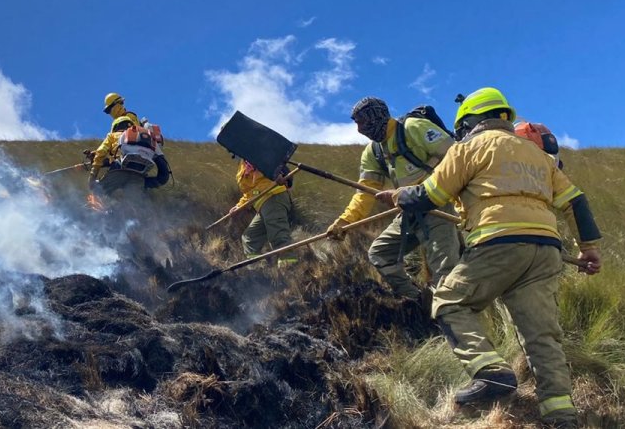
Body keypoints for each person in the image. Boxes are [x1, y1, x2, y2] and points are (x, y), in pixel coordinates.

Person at [375, 87, 601, 429]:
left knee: (450, 301)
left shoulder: (470, 148)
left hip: (497, 240)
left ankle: (491, 372)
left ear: (470, 122)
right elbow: (576, 201)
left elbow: (432, 194)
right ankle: (561, 415)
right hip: (545, 250)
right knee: (541, 336)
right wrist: (588, 248)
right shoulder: (539, 156)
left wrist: (399, 195)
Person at [326, 96, 460, 302]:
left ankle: (450, 314)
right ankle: (419, 301)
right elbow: (364, 192)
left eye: (363, 121)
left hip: (438, 206)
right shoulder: (373, 152)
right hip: (409, 210)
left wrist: (426, 189)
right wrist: (345, 222)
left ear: (377, 116)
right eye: (356, 124)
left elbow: (458, 158)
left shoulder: (413, 128)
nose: (360, 129)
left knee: (444, 271)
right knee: (380, 254)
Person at [229, 159, 296, 266]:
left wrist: (280, 175)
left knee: (278, 235)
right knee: (250, 238)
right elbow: (250, 192)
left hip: (273, 197)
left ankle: (290, 270)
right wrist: (239, 206)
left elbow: (279, 168)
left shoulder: (259, 153)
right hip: (261, 205)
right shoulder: (243, 165)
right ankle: (258, 270)